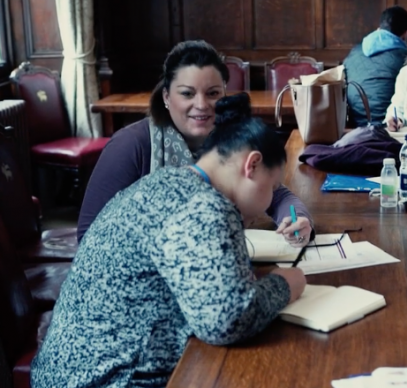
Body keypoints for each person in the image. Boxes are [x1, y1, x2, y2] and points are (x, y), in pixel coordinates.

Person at [31, 93, 307, 387]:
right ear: (251, 166)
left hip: (70, 373)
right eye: (272, 186)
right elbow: (226, 320)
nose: (269, 201)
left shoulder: (165, 184)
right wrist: (286, 283)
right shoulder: (203, 205)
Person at [77, 40, 313, 246]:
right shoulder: (130, 145)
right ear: (167, 97)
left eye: (212, 93)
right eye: (187, 94)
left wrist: (298, 219)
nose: (201, 105)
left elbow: (275, 192)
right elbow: (89, 237)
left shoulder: (232, 139)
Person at [344, 6, 407, 126]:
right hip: (390, 126)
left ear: (378, 29)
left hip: (354, 125)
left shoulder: (354, 52)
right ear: (405, 34)